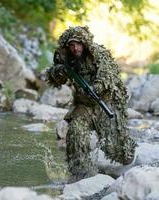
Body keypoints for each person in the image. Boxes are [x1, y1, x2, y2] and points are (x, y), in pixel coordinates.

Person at [46, 26, 137, 181]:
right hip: (83, 105)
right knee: (76, 133)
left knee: (119, 153)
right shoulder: (64, 56)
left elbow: (107, 78)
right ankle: (80, 174)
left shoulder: (99, 55)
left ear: (85, 43)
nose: (75, 48)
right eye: (71, 45)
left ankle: (130, 155)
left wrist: (96, 88)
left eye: (78, 44)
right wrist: (60, 71)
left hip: (106, 103)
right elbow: (52, 76)